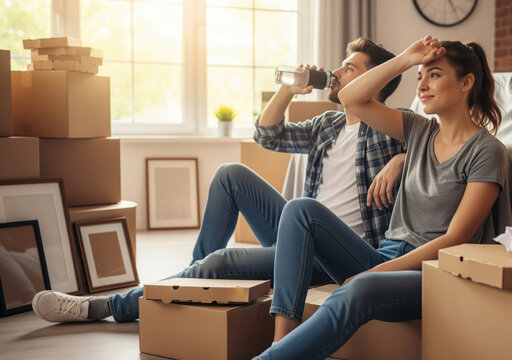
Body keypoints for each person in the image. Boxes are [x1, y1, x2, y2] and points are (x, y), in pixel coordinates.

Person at [31, 38, 408, 324]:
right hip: (297, 231)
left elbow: (446, 148)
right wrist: (287, 90)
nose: (337, 72)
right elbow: (268, 136)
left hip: (333, 253)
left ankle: (106, 306)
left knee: (226, 258)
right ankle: (196, 278)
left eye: (350, 68)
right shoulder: (329, 124)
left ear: (376, 82)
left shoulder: (396, 126)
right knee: (231, 174)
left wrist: (402, 158)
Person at [254, 35, 508, 360]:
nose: (422, 85)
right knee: (300, 209)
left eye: (434, 74)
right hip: (384, 253)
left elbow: (455, 238)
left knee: (359, 288)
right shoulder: (420, 130)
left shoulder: (487, 152)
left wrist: (372, 274)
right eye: (420, 76)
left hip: (432, 272)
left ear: (466, 82)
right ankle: (281, 343)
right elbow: (351, 98)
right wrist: (406, 58)